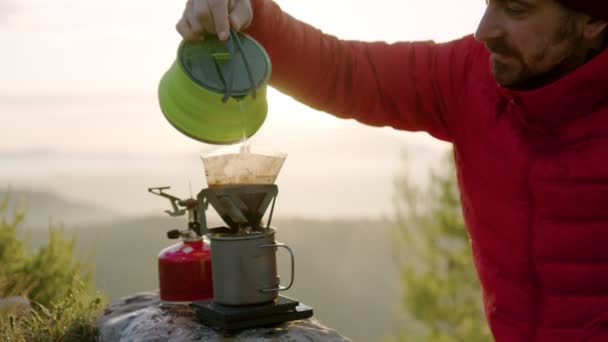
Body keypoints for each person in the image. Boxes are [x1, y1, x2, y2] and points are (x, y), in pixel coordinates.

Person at [176, 0, 608, 340]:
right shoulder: (471, 77)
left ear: (592, 21)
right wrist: (251, 15)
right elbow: (345, 72)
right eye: (488, 2)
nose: (484, 30)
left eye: (516, 8)